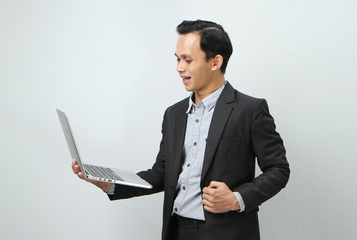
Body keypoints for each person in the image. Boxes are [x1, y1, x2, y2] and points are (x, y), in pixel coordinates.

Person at [72, 19, 290, 240]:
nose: (179, 68)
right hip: (176, 230)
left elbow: (279, 169)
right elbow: (162, 173)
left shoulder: (250, 110)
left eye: (188, 60)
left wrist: (237, 198)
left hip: (226, 232)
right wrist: (109, 184)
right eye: (177, 59)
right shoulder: (173, 114)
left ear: (215, 62)